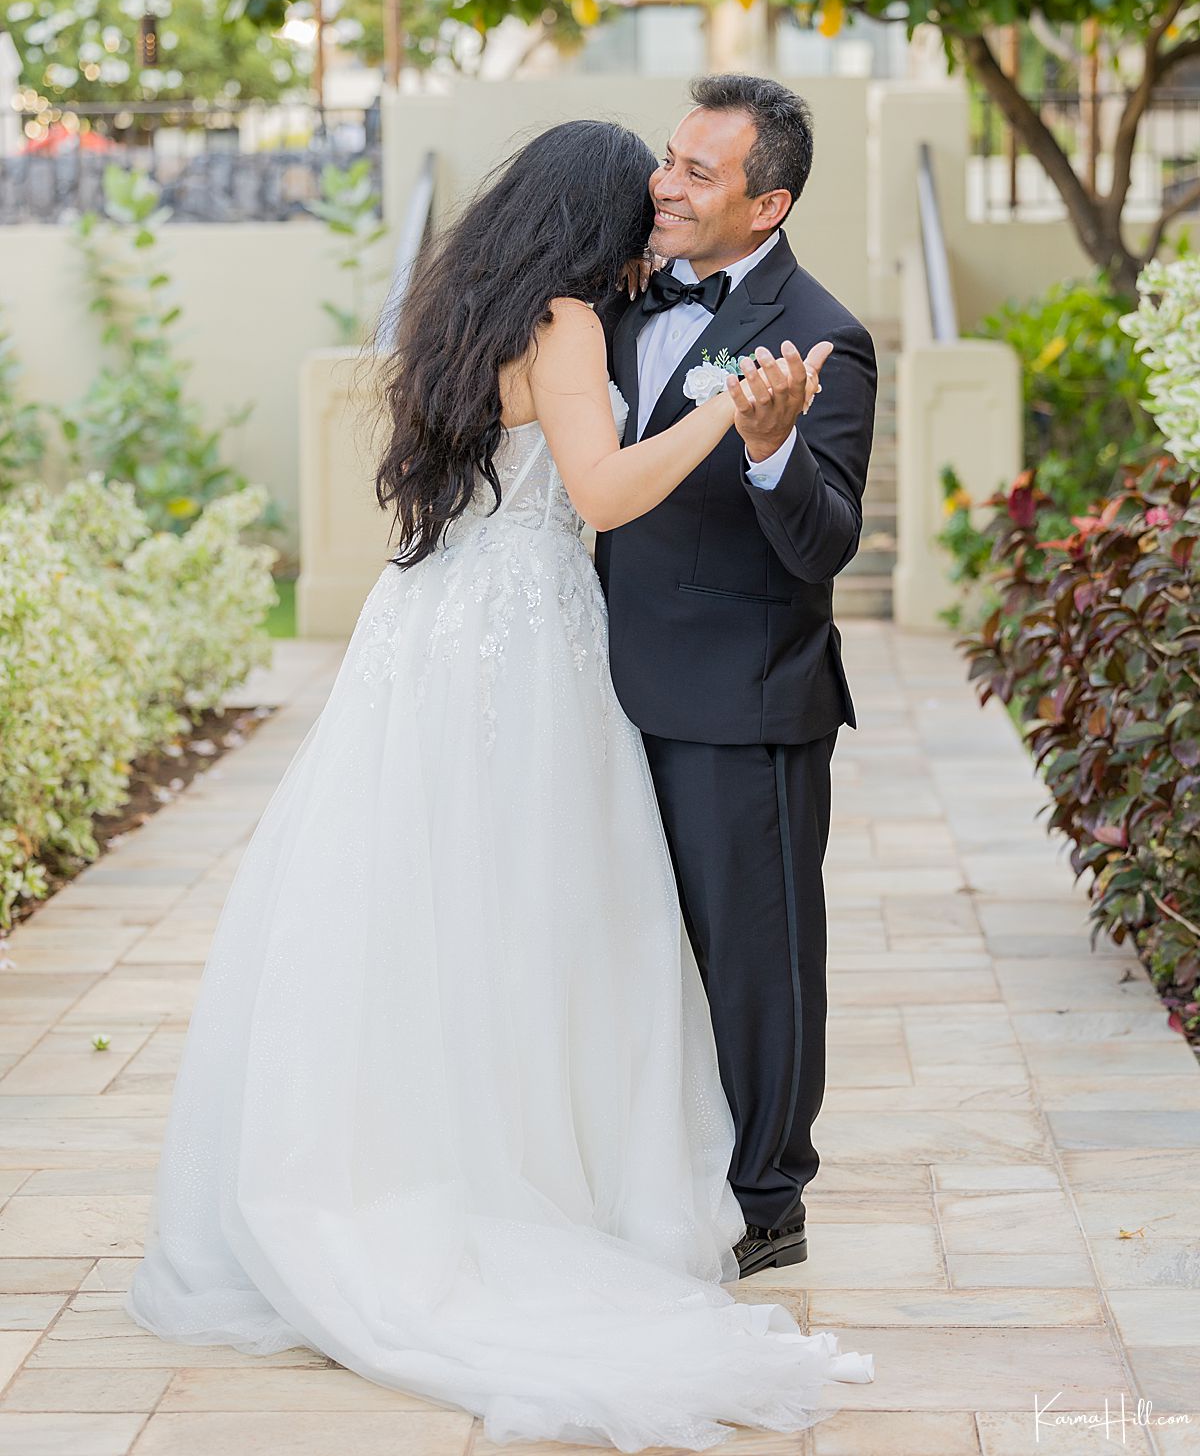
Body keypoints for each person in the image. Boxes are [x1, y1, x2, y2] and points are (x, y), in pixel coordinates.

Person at [122, 117, 873, 1450]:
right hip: (527, 643)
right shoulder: (573, 325)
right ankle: (545, 1183)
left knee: (426, 908)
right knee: (554, 911)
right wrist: (719, 413)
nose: (659, 214)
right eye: (643, 196)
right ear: (591, 216)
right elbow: (603, 486)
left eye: (688, 184)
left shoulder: (459, 311)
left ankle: (435, 1152)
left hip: (425, 636)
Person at [597, 74, 878, 1280]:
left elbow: (827, 543)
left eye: (698, 172)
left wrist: (771, 453)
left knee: (754, 961)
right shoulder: (608, 300)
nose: (664, 183)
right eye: (670, 158)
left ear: (767, 207)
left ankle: (768, 1199)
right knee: (616, 941)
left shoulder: (824, 335)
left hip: (739, 700)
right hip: (594, 684)